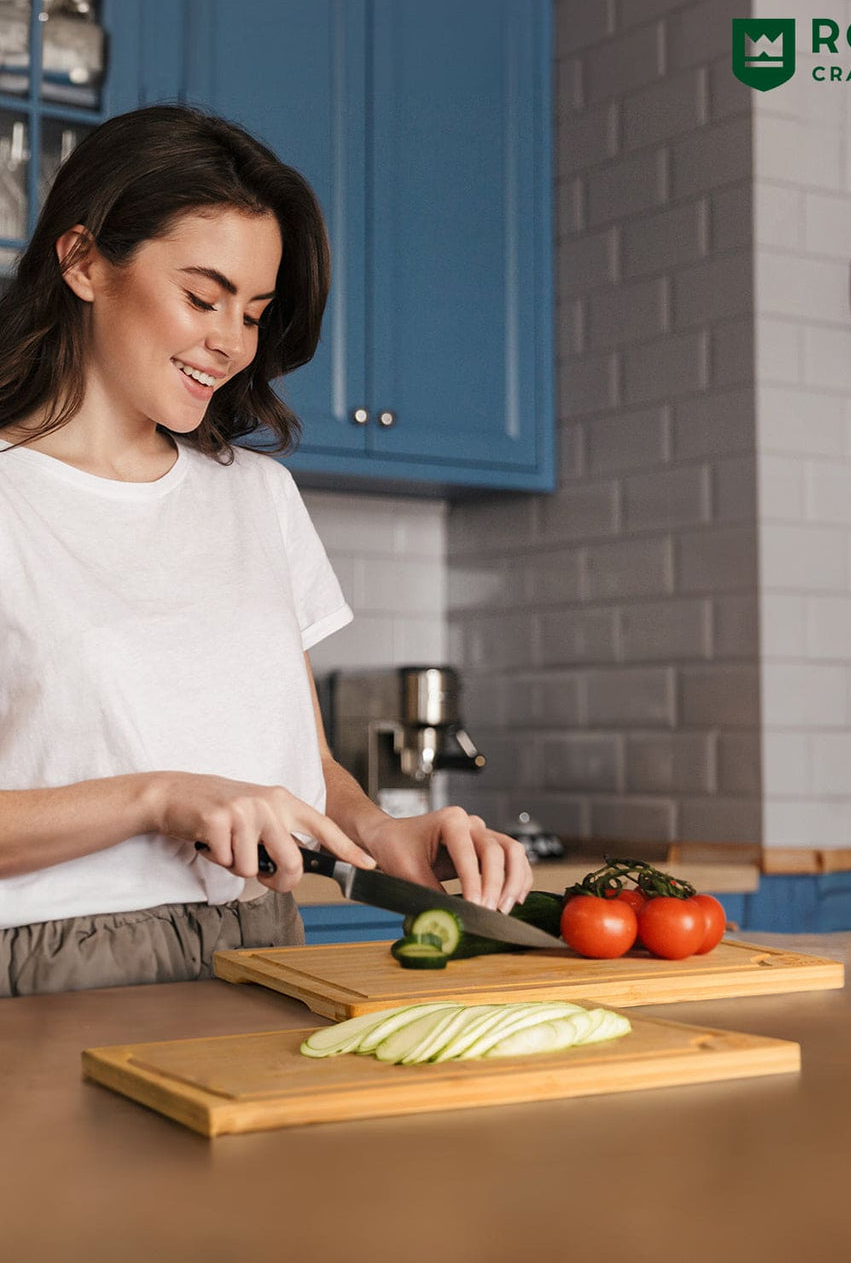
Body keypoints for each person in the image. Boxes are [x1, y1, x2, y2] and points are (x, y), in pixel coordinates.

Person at [0, 105, 532, 997]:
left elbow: (305, 765)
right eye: (202, 298)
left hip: (264, 943)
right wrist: (159, 798)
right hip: (53, 966)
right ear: (84, 260)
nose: (231, 342)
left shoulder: (256, 495)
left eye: (253, 311)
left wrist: (382, 836)